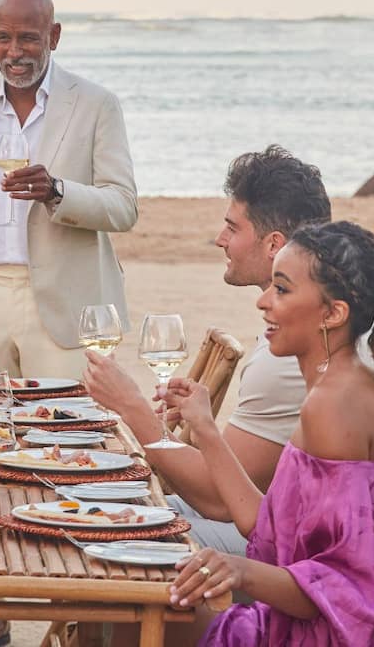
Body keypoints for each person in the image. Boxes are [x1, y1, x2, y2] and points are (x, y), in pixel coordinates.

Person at [161, 222, 374, 646]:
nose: (263, 301)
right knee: (147, 603)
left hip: (364, 635)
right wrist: (204, 427)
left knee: (137, 612)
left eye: (282, 289)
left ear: (333, 313)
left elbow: (341, 589)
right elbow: (269, 526)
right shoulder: (351, 384)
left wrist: (241, 570)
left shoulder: (334, 405)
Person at [84, 146, 329, 556]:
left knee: (110, 540)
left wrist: (133, 410)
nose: (220, 240)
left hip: (291, 547)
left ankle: (135, 617)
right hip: (279, 518)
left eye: (232, 228)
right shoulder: (316, 321)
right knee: (100, 512)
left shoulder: (289, 353)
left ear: (274, 244)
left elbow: (219, 502)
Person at [0, 0, 138, 379]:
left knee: (67, 428)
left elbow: (123, 207)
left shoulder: (96, 103)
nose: (14, 51)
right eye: (4, 38)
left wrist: (58, 191)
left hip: (66, 305)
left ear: (54, 36)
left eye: (28, 39)